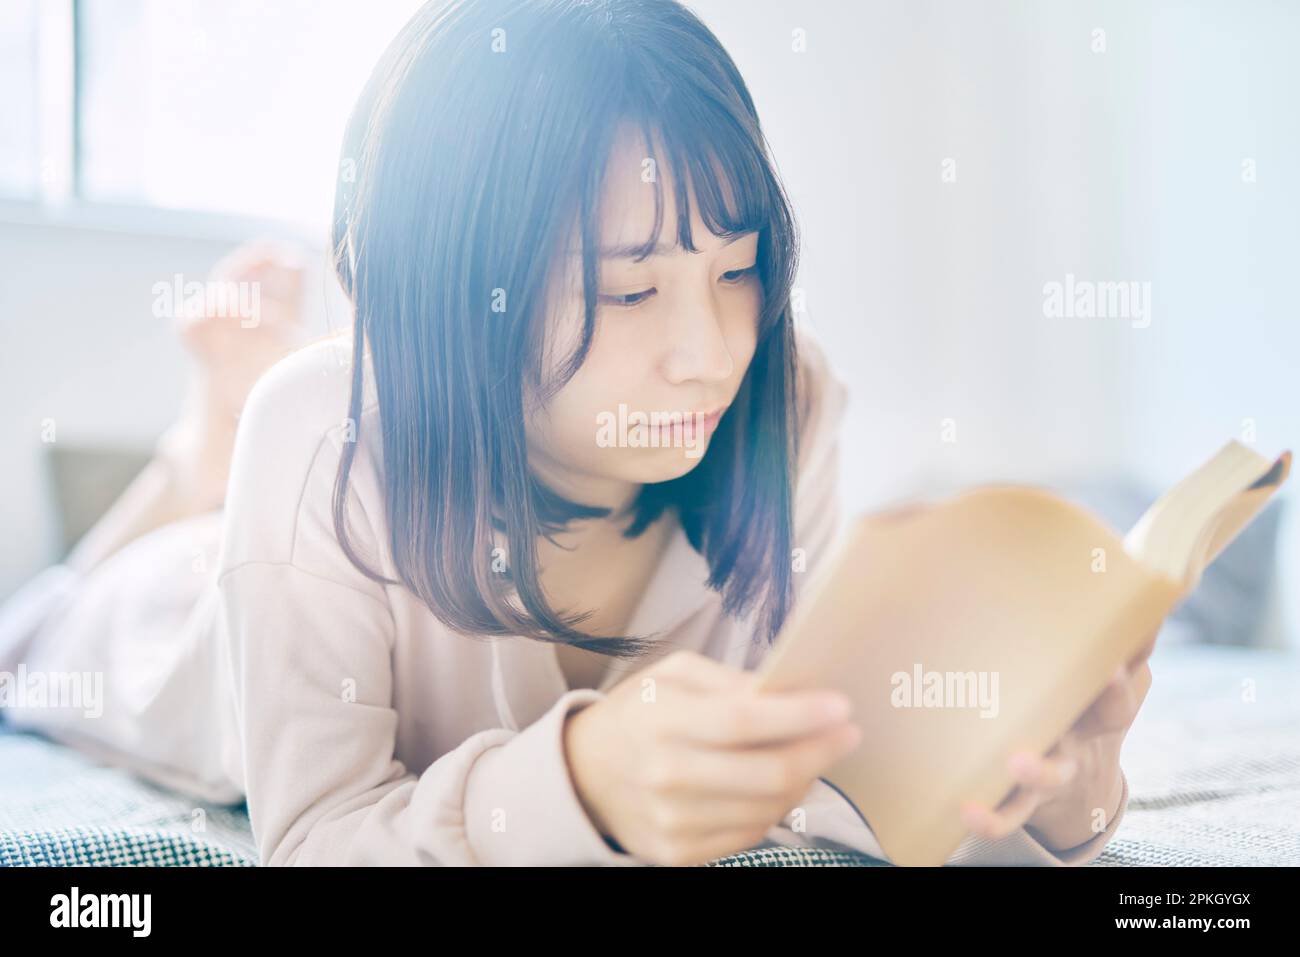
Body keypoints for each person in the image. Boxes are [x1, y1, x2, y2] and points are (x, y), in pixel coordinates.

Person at [0, 0, 1149, 867]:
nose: (709, 349)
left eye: (739, 270)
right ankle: (198, 457)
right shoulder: (324, 432)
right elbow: (318, 840)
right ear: (458, 293)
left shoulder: (785, 403)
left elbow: (802, 778)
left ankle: (208, 468)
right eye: (629, 291)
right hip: (176, 629)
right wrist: (580, 780)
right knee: (34, 633)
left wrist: (1059, 788)